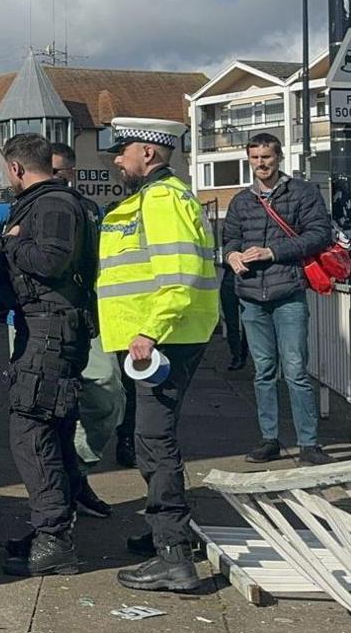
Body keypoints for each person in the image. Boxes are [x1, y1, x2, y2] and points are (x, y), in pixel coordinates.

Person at [0, 135, 98, 576]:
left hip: (50, 329)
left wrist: (9, 244)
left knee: (31, 431)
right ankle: (52, 529)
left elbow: (50, 261)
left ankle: (53, 537)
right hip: (48, 327)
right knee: (51, 428)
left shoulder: (52, 205)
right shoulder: (48, 201)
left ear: (15, 168)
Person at [96, 118, 219, 592]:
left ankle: (174, 556)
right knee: (154, 438)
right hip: (162, 335)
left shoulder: (162, 198)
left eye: (122, 151)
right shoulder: (153, 198)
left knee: (154, 442)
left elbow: (181, 272)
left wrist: (150, 330)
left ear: (147, 153)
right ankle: (166, 535)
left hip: (163, 338)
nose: (116, 159)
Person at [223, 132, 335, 466]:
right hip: (251, 293)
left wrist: (272, 251)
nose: (261, 163)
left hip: (288, 291)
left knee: (296, 369)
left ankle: (309, 443)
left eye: (267, 157)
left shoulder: (303, 192)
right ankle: (269, 438)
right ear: (249, 160)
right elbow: (229, 238)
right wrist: (231, 257)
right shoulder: (241, 201)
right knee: (263, 370)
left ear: (279, 157)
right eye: (255, 158)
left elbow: (319, 234)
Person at [50, 143, 127, 486]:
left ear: (72, 173)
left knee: (108, 390)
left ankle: (79, 466)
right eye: (47, 171)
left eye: (59, 172)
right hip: (35, 321)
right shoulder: (16, 209)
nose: (53, 179)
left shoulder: (90, 210)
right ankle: (59, 490)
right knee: (44, 409)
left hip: (88, 315)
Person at [218, 259, 247, 371]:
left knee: (247, 322)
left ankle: (242, 355)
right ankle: (237, 355)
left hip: (247, 279)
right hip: (230, 278)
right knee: (231, 322)